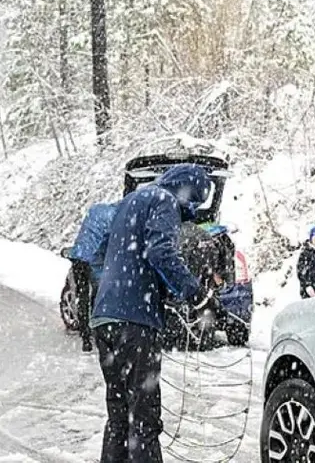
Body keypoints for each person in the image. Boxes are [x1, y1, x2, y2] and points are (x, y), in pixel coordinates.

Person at [90, 164, 212, 463]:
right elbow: (161, 252)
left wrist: (129, 288)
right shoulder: (164, 201)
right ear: (187, 192)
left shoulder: (129, 202)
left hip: (104, 318)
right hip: (135, 322)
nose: (189, 212)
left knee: (119, 417)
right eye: (193, 203)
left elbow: (98, 254)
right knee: (144, 417)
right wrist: (197, 296)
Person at [67, 201, 119, 352]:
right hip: (93, 259)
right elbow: (109, 243)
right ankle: (99, 334)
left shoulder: (97, 210)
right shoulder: (116, 218)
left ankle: (85, 337)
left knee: (82, 295)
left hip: (79, 256)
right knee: (97, 297)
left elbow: (87, 235)